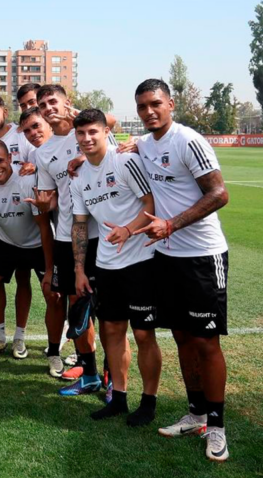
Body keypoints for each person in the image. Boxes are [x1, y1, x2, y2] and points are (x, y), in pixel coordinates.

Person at [133, 79, 231, 461]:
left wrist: (171, 224)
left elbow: (219, 193)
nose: (149, 111)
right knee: (181, 337)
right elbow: (103, 124)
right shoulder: (143, 143)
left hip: (203, 257)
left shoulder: (187, 140)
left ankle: (218, 428)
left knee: (206, 342)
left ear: (170, 104)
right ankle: (196, 414)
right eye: (142, 106)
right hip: (167, 257)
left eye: (155, 103)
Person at [70, 109, 162, 426]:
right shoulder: (79, 179)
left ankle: (148, 401)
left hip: (140, 261)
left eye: (92, 132)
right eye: (80, 134)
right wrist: (80, 270)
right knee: (111, 329)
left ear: (104, 132)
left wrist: (128, 230)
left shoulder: (125, 162)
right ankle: (119, 397)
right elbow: (80, 225)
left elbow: (150, 205)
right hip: (106, 264)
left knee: (143, 332)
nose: (86, 139)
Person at [31, 84, 102, 384]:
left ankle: (112, 377)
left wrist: (86, 156)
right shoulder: (43, 152)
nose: (48, 107)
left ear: (67, 103)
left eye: (53, 101)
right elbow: (52, 197)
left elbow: (107, 140)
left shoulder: (85, 133)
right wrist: (46, 204)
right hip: (67, 236)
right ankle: (89, 371)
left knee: (108, 312)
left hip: (102, 233)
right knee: (77, 307)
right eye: (42, 103)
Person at [0, 139, 57, 370]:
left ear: (9, 159)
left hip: (36, 244)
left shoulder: (26, 181)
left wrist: (49, 270)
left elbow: (44, 228)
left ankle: (54, 353)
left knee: (52, 293)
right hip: (6, 242)